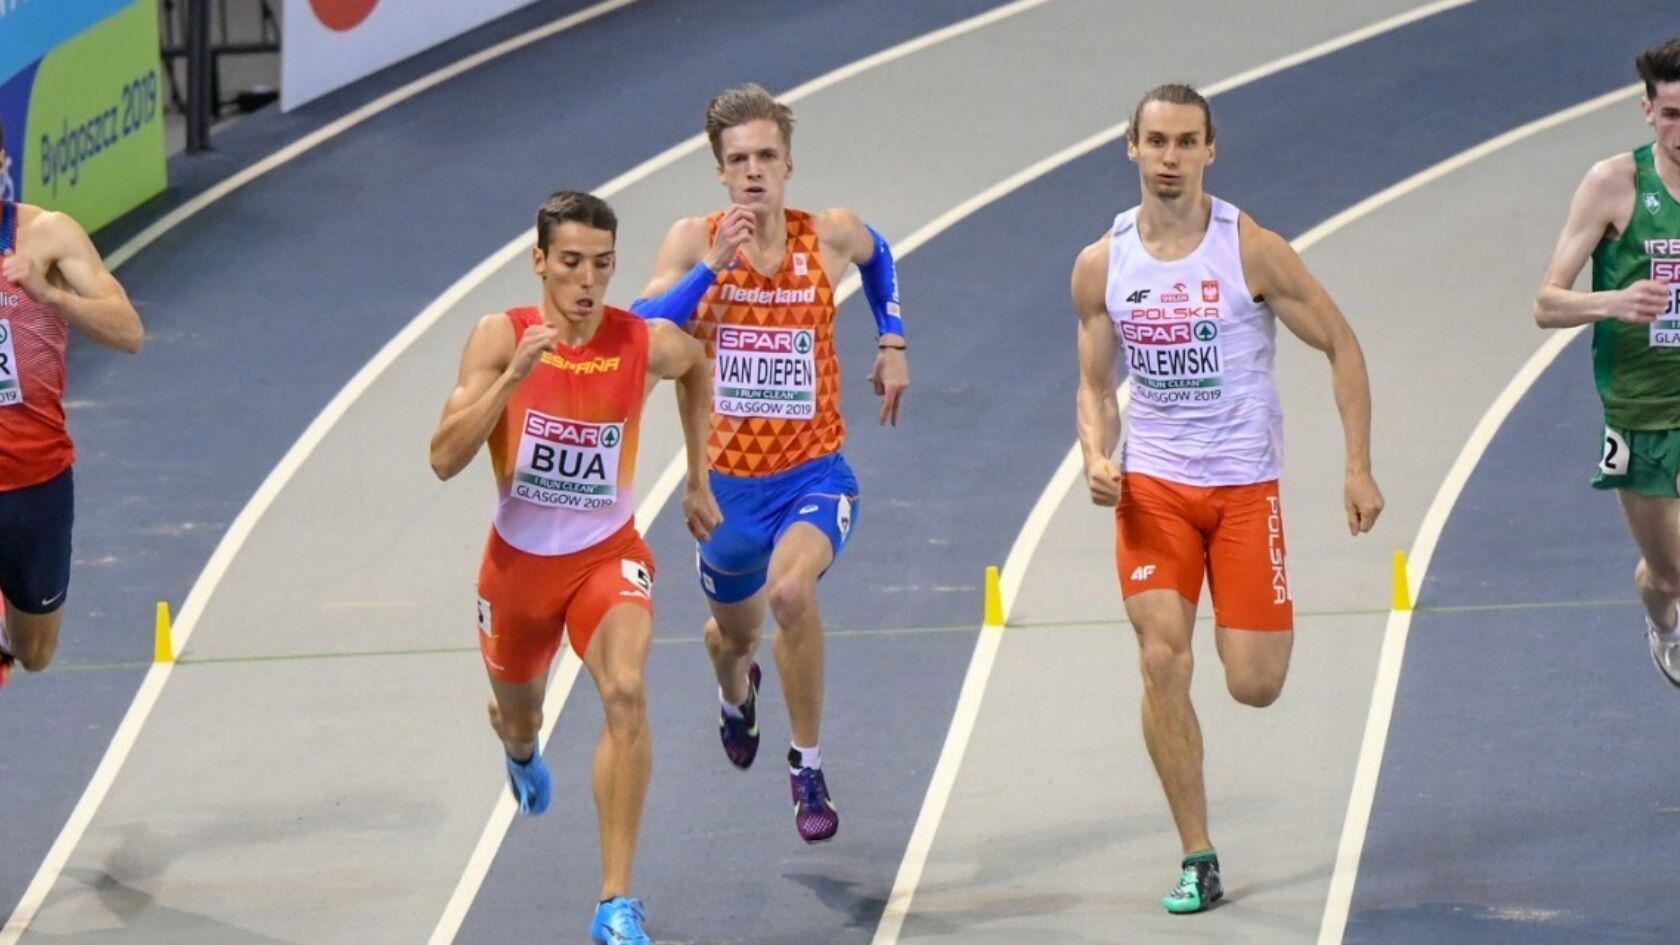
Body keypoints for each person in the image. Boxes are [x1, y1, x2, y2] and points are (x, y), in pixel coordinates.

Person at [1071, 83, 1383, 913]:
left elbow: (1342, 343)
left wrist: (1357, 465)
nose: (1169, 158)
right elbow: (1094, 385)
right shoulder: (1103, 265)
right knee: (1161, 657)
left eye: (1186, 142)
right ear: (1130, 149)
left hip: (1244, 489)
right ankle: (1197, 852)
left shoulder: (1251, 250)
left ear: (1211, 151)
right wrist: (1097, 452)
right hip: (1156, 489)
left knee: (1254, 682)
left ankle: (1242, 624)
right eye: (1156, 142)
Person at [429, 191, 719, 945]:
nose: (587, 282)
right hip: (517, 572)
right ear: (539, 263)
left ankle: (615, 900)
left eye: (601, 265)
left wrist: (698, 476)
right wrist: (509, 381)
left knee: (625, 690)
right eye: (570, 264)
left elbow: (696, 365)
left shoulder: (638, 340)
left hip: (606, 557)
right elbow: (443, 458)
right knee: (521, 714)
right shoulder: (501, 337)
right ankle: (519, 746)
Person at [628, 83, 910, 843]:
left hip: (812, 473)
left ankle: (807, 763)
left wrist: (891, 340)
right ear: (721, 172)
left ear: (788, 163)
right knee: (732, 640)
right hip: (726, 493)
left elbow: (881, 255)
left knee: (790, 592)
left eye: (765, 157)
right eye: (738, 160)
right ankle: (734, 694)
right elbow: (637, 329)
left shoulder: (829, 235)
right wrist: (709, 271)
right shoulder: (695, 240)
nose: (753, 171)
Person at [1535, 39, 1680, 688]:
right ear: (1647, 110)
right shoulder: (1614, 184)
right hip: (1641, 410)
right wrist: (1615, 300)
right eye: (1672, 114)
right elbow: (1546, 302)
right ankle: (1662, 618)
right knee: (1669, 573)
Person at [0, 119, 144, 691]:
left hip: (37, 482)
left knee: (37, 651)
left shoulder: (48, 236)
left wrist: (50, 296)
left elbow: (129, 331)